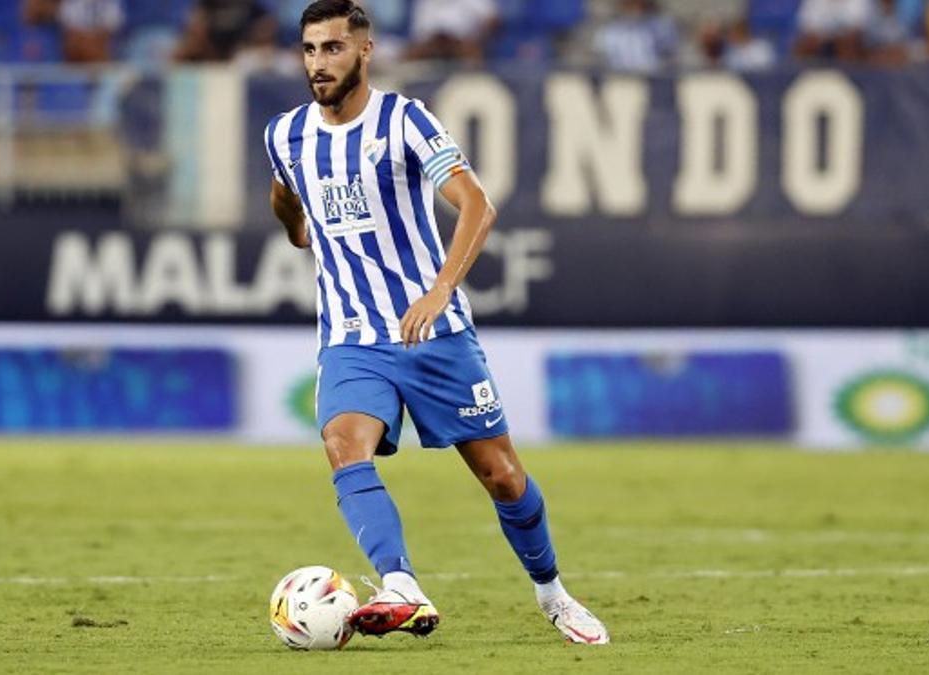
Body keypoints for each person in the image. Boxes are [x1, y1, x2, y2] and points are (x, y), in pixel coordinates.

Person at [262, 0, 610, 645]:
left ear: (364, 51)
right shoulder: (285, 133)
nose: (318, 63)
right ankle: (401, 585)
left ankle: (553, 594)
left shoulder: (403, 121)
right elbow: (284, 190)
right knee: (343, 444)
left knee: (502, 475)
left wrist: (438, 290)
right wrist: (297, 229)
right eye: (309, 49)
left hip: (434, 332)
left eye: (333, 48)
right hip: (350, 336)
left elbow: (477, 204)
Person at [594, 0, 679, 73]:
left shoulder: (660, 27)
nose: (634, 8)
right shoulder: (610, 30)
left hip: (652, 80)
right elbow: (602, 61)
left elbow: (669, 57)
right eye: (629, 3)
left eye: (638, 3)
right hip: (618, 81)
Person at [793, 0, 873, 61]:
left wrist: (835, 37)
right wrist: (826, 37)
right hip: (821, 40)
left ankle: (851, 75)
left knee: (849, 43)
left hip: (846, 40)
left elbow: (856, 28)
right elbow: (808, 27)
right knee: (804, 45)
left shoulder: (859, 2)